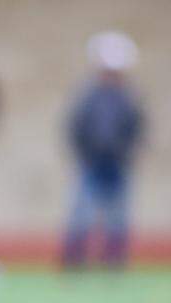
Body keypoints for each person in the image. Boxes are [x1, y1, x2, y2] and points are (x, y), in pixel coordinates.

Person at [61, 31, 145, 270]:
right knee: (81, 214)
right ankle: (74, 262)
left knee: (117, 217)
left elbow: (137, 128)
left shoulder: (129, 98)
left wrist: (126, 153)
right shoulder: (88, 95)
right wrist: (83, 155)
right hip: (91, 163)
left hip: (117, 164)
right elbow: (74, 126)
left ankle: (114, 262)